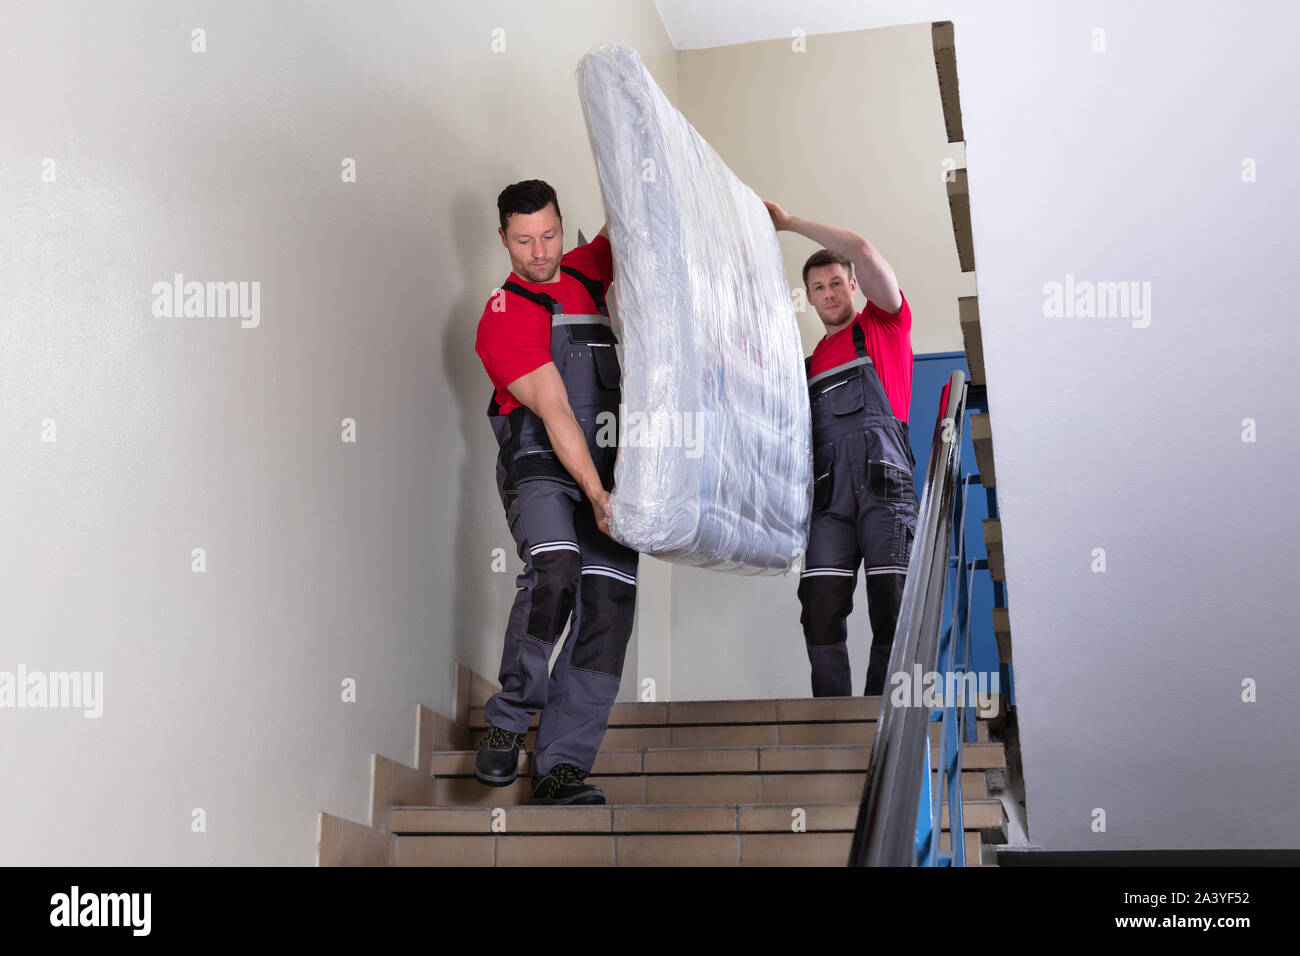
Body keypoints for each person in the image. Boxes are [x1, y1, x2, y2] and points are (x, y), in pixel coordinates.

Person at [472, 179, 639, 804]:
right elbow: (557, 409)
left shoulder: (586, 270)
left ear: (561, 227)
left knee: (607, 611)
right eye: (524, 241)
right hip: (543, 459)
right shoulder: (504, 314)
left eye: (549, 236)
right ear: (503, 239)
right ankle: (510, 721)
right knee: (557, 570)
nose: (540, 252)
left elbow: (633, 221)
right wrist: (597, 496)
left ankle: (561, 768)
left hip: (611, 465)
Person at [765, 200, 918, 697]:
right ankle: (833, 715)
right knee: (819, 606)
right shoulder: (805, 367)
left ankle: (877, 718)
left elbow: (863, 249)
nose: (828, 293)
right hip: (830, 502)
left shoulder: (883, 326)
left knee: (890, 602)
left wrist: (789, 224)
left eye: (836, 282)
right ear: (807, 298)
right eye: (818, 288)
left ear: (853, 285)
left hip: (884, 489)